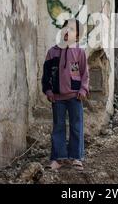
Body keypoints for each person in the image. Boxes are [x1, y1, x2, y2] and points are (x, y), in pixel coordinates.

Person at [42, 18, 89, 171]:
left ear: (77, 36)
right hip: (57, 97)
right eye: (65, 28)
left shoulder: (80, 53)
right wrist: (48, 90)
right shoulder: (52, 52)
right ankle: (58, 158)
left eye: (72, 29)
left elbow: (85, 74)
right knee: (58, 127)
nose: (68, 31)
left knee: (76, 126)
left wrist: (83, 90)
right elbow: (46, 74)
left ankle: (76, 157)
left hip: (75, 97)